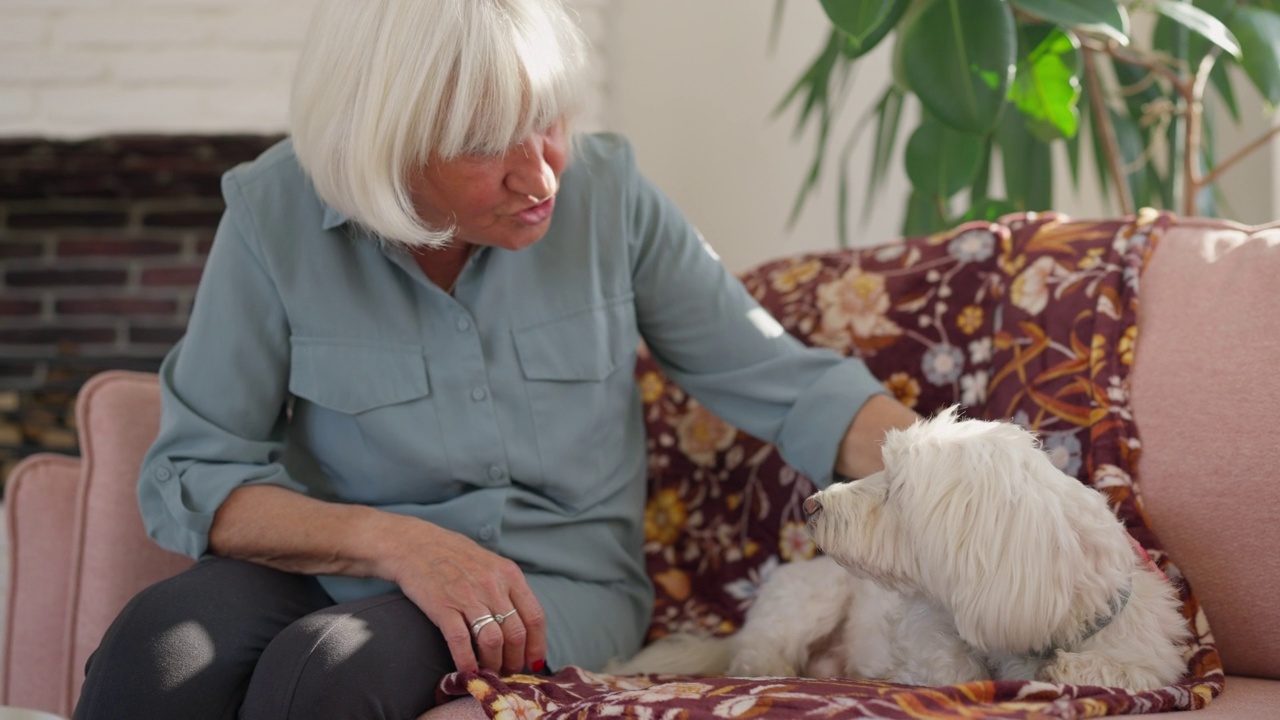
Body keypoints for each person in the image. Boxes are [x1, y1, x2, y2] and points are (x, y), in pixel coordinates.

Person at [71, 1, 920, 718]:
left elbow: (786, 381)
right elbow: (194, 470)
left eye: (546, 120)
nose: (540, 174)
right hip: (343, 562)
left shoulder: (611, 194)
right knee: (161, 646)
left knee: (330, 669)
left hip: (554, 580)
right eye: (486, 144)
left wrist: (959, 477)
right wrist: (391, 542)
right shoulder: (272, 214)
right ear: (385, 144)